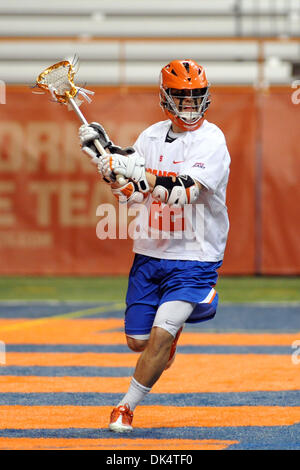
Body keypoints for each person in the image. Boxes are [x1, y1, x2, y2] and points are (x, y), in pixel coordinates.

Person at [78, 59, 231, 433]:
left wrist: (134, 171)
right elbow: (131, 198)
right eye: (182, 97)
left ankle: (125, 407)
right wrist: (111, 169)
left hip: (194, 256)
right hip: (150, 252)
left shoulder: (212, 140)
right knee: (138, 341)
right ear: (165, 98)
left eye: (196, 97)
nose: (190, 105)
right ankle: (182, 321)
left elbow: (183, 192)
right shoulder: (149, 136)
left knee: (161, 336)